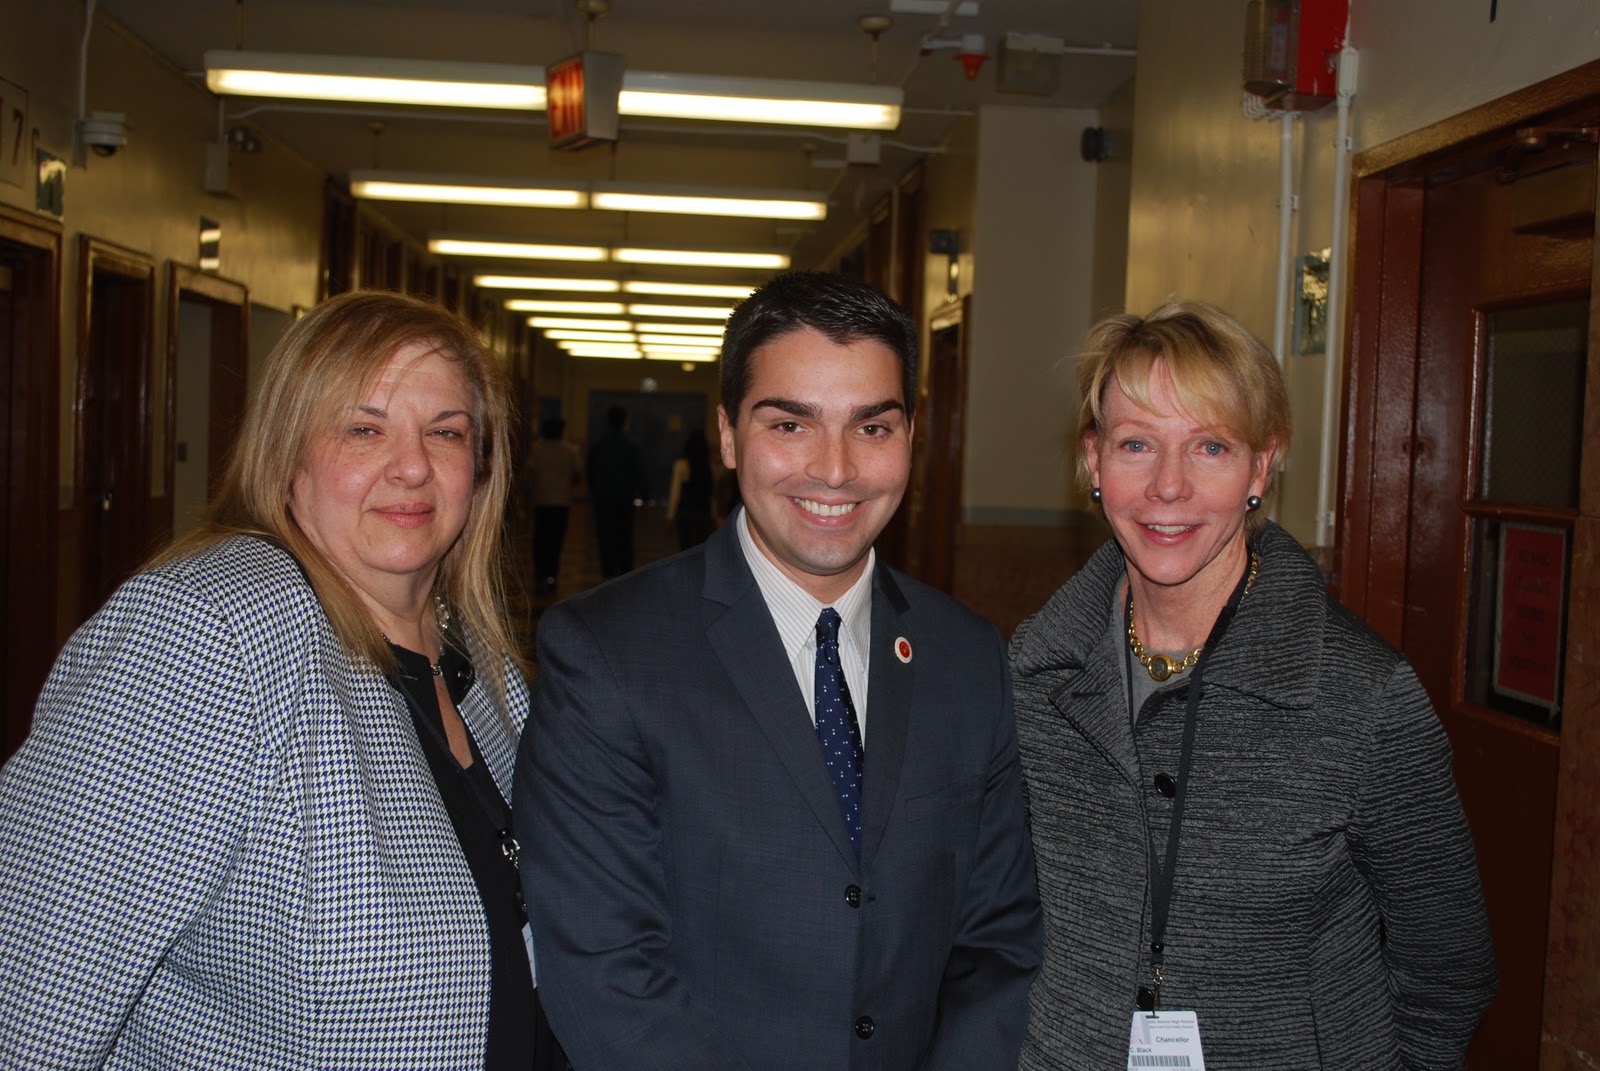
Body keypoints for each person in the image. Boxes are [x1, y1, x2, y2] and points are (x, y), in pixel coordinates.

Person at [0, 291, 568, 1069]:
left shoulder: (479, 658)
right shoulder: (209, 634)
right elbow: (31, 992)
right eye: (364, 429)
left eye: (446, 432)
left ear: (481, 466)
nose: (413, 466)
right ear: (288, 453)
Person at [516, 271, 1043, 1070]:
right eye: (791, 424)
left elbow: (998, 944)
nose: (834, 469)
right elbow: (605, 971)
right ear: (728, 434)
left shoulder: (969, 659)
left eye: (872, 427)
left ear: (912, 436)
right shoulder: (606, 654)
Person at [1010, 300, 1496, 1070]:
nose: (1169, 486)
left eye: (1210, 446)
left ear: (1261, 468)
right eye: (1137, 443)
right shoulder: (1033, 675)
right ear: (1093, 461)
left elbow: (1448, 966)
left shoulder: (1362, 694)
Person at [586, 404, 648, 577]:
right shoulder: (631, 447)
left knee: (605, 538)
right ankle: (625, 574)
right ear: (625, 422)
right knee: (625, 538)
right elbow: (639, 473)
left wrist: (594, 492)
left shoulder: (598, 446)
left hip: (603, 499)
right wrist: (645, 497)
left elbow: (590, 473)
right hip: (624, 499)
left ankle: (608, 574)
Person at [528, 416, 581, 593]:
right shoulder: (569, 451)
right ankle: (552, 574)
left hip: (541, 501)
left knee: (540, 538)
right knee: (556, 540)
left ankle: (540, 572)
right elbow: (577, 474)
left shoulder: (537, 450)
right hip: (561, 502)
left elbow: (529, 475)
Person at [664, 426, 715, 549]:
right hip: (703, 513)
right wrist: (714, 516)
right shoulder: (708, 466)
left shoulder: (681, 465)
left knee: (685, 549)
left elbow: (675, 493)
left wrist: (670, 516)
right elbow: (712, 494)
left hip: (685, 513)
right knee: (701, 550)